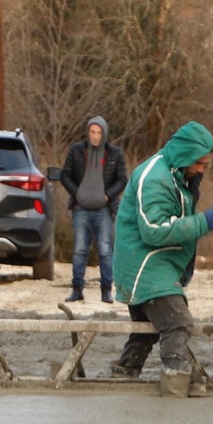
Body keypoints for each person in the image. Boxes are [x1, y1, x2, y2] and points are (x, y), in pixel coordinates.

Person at [110, 120, 213, 395]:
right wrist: (204, 222)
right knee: (177, 322)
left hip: (153, 264)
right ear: (185, 154)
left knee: (148, 329)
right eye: (199, 163)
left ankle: (124, 377)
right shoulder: (155, 178)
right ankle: (175, 386)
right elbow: (154, 231)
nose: (201, 169)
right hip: (145, 265)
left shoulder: (177, 174)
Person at [61, 117, 127, 304]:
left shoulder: (115, 153)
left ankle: (106, 290)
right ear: (87, 132)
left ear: (104, 133)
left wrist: (108, 195)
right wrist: (77, 193)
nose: (95, 136)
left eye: (99, 133)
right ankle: (77, 289)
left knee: (105, 250)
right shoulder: (76, 150)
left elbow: (122, 179)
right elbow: (65, 175)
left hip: (104, 210)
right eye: (92, 132)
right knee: (79, 250)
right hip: (80, 208)